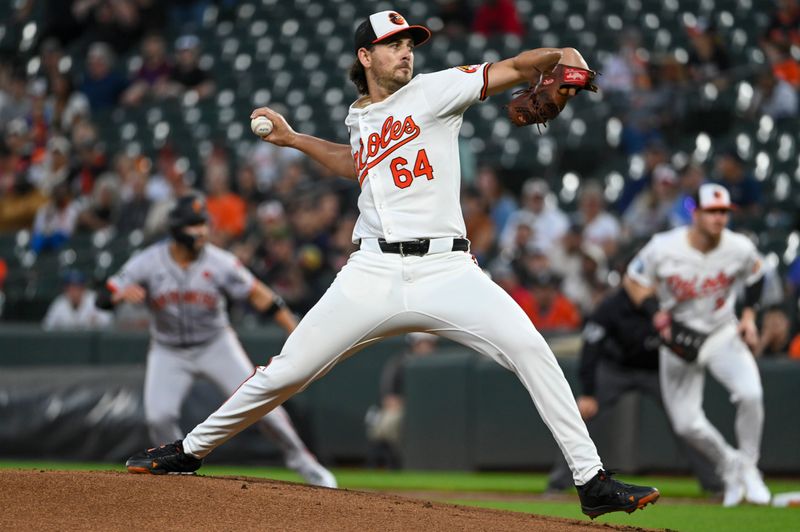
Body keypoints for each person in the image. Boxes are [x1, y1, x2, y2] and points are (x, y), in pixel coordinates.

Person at [125, 10, 659, 517]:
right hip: (372, 273)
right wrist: (291, 140)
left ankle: (591, 482)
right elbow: (355, 161)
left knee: (531, 350)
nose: (405, 53)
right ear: (365, 56)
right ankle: (189, 451)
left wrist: (565, 54)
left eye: (408, 44)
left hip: (448, 271)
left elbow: (521, 67)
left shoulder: (436, 89)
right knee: (286, 373)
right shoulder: (360, 116)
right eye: (393, 45)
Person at [99, 194, 336, 488]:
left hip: (216, 344)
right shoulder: (147, 262)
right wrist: (117, 296)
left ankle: (307, 465)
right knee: (159, 415)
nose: (200, 231)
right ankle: (175, 470)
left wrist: (296, 330)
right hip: (167, 350)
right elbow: (104, 294)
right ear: (175, 229)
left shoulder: (221, 262)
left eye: (202, 224)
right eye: (193, 225)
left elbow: (259, 294)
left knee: (267, 408)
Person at [623, 183, 771, 507]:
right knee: (686, 424)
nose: (719, 218)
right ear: (697, 213)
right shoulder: (664, 247)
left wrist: (748, 317)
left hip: (721, 332)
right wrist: (655, 314)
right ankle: (729, 466)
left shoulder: (739, 247)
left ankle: (748, 467)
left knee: (751, 394)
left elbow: (757, 274)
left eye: (724, 212)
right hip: (678, 337)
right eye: (713, 211)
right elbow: (633, 280)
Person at [546, 287, 721, 494]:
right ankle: (558, 484)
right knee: (583, 418)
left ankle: (714, 484)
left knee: (685, 421)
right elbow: (591, 348)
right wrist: (588, 392)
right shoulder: (611, 306)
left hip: (657, 372)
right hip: (615, 370)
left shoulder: (668, 304)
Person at [365, 332, 438, 469]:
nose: (425, 347)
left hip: (431, 413)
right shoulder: (399, 363)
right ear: (413, 344)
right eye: (422, 343)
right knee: (387, 423)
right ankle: (396, 460)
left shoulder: (439, 364)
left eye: (429, 343)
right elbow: (389, 398)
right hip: (403, 409)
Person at [42, 269, 113, 330]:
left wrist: (98, 322)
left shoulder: (95, 299)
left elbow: (109, 321)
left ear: (83, 288)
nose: (74, 291)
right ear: (66, 289)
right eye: (71, 287)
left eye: (77, 287)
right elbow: (46, 327)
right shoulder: (60, 303)